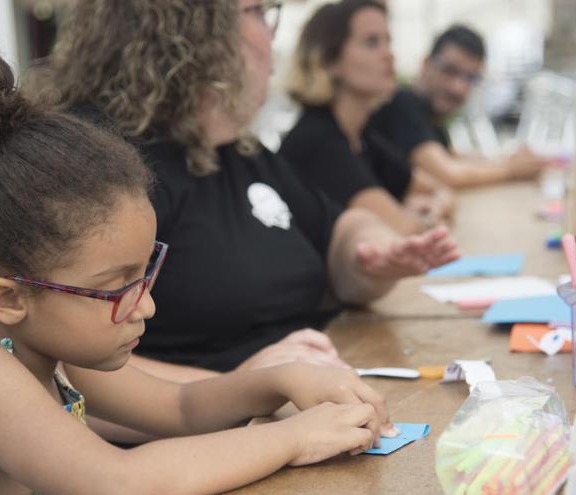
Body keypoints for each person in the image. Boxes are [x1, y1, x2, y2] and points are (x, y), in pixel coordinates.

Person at [0, 42, 398, 495]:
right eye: (116, 288)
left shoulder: (53, 352)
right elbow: (121, 481)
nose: (146, 304)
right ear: (10, 298)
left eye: (145, 273)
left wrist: (283, 379)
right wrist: (291, 437)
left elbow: (182, 409)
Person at [41, 0, 460, 383]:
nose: (273, 35)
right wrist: (243, 387)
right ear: (195, 29)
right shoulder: (96, 163)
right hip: (202, 443)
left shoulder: (236, 150)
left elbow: (338, 231)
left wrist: (372, 253)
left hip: (299, 402)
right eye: (259, 12)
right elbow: (53, 367)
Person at [281, 0, 454, 236]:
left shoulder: (360, 136)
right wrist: (419, 214)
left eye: (388, 41)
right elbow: (404, 230)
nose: (389, 54)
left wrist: (427, 208)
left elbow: (438, 190)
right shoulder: (317, 140)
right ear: (329, 60)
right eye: (372, 43)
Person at [368, 24, 549, 189]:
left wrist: (508, 160)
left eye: (470, 78)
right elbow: (449, 175)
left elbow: (454, 158)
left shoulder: (428, 116)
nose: (458, 88)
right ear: (425, 64)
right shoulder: (401, 105)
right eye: (450, 71)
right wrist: (511, 170)